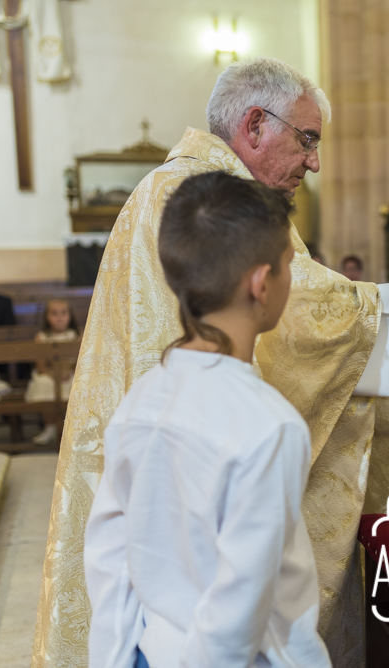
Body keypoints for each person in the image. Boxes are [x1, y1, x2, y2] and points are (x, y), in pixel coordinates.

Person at [34, 57, 389, 668]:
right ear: (255, 125)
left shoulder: (142, 400)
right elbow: (259, 608)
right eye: (307, 139)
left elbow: (111, 556)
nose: (314, 162)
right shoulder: (211, 201)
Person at [85, 172, 330, 668]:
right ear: (261, 284)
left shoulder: (140, 401)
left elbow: (109, 555)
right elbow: (237, 608)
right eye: (288, 265)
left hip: (151, 649)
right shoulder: (269, 425)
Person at [27, 299, 81, 445]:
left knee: (78, 384)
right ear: (47, 317)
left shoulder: (77, 336)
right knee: (43, 383)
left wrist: (69, 372)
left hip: (71, 374)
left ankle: (72, 429)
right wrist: (53, 374)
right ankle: (50, 427)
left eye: (63, 313)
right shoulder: (41, 337)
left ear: (70, 315)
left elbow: (82, 362)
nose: (59, 317)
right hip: (49, 374)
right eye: (54, 314)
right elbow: (40, 365)